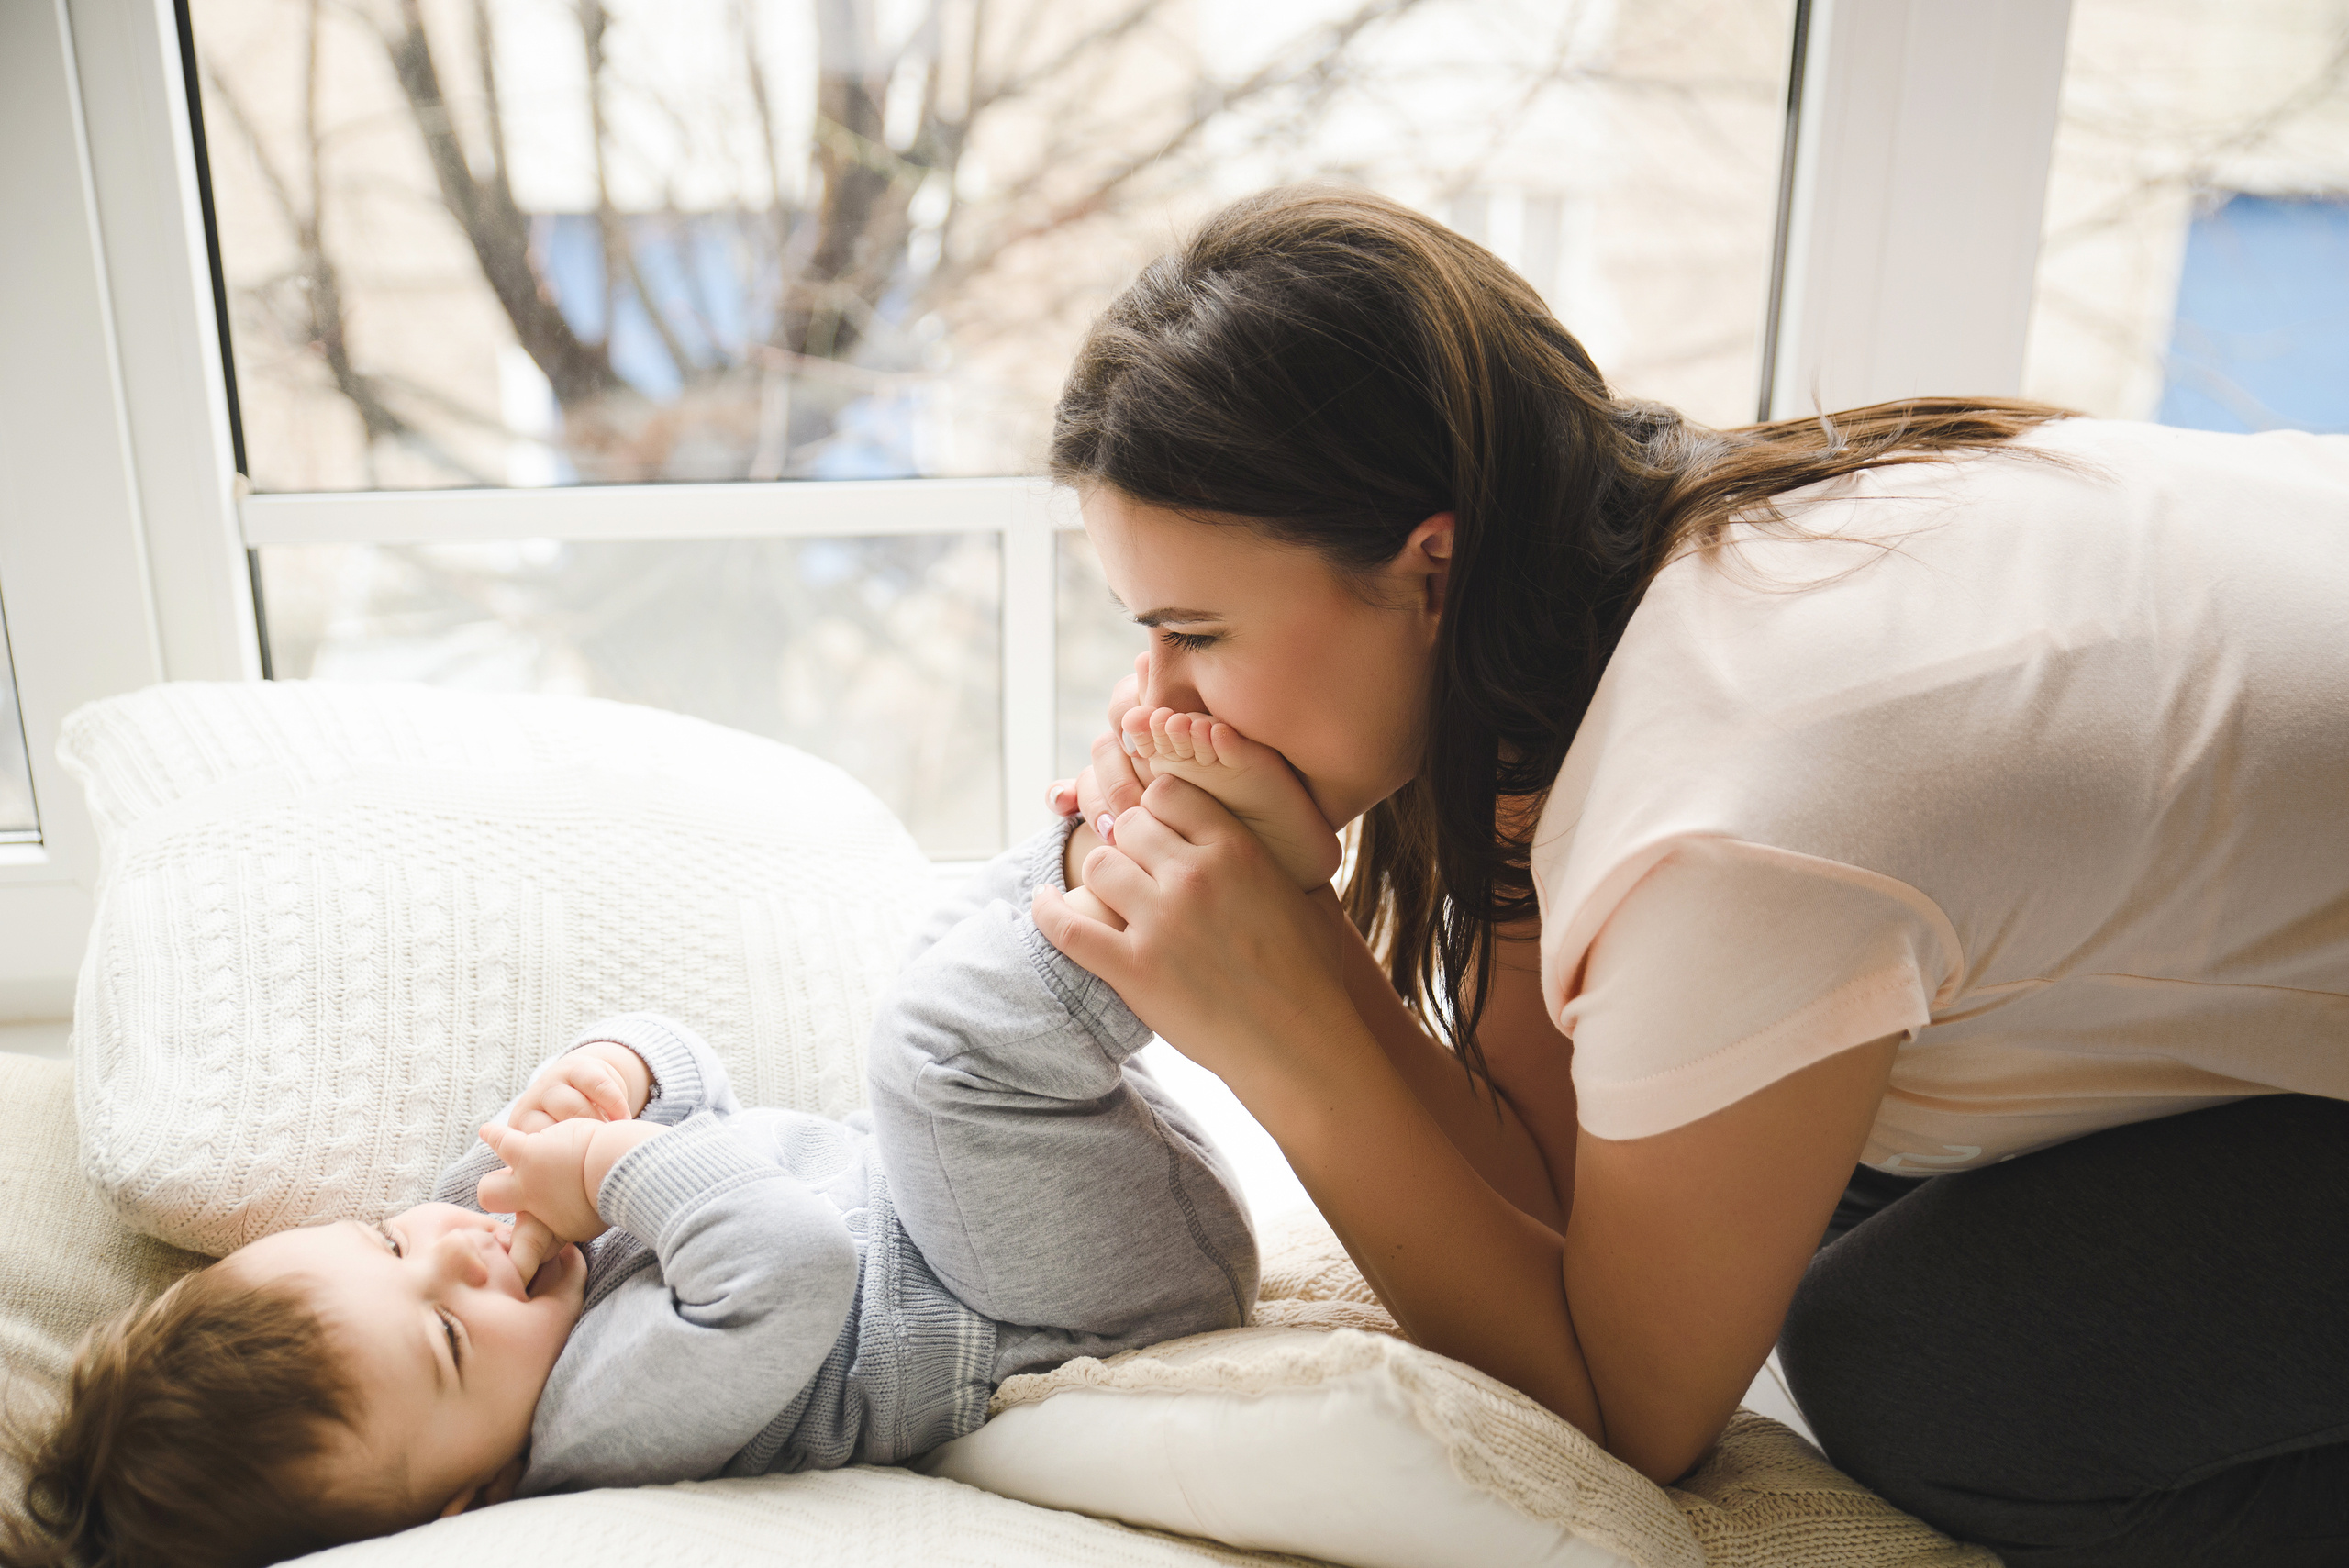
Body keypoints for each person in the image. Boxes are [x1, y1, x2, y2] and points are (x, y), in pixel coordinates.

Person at [1031, 185, 2349, 1568]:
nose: (1152, 700)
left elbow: (1628, 1411)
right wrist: (1298, 928)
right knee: (1801, 1182)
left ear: (1431, 571)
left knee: (1919, 1366)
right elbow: (1558, 1188)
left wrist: (1273, 1017)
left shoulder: (1734, 800)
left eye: (1195, 632)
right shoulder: (1605, 608)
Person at [2, 817, 1265, 1568]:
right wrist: (612, 1164)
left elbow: (705, 1100)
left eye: (386, 1238)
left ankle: (1108, 824)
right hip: (1065, 1294)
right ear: (472, 1499)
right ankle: (1204, 887)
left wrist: (615, 1070)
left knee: (929, 960)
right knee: (933, 1049)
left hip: (1018, 1200)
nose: (454, 1253)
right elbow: (793, 1260)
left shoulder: (498, 1245)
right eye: (444, 1340)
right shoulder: (593, 1424)